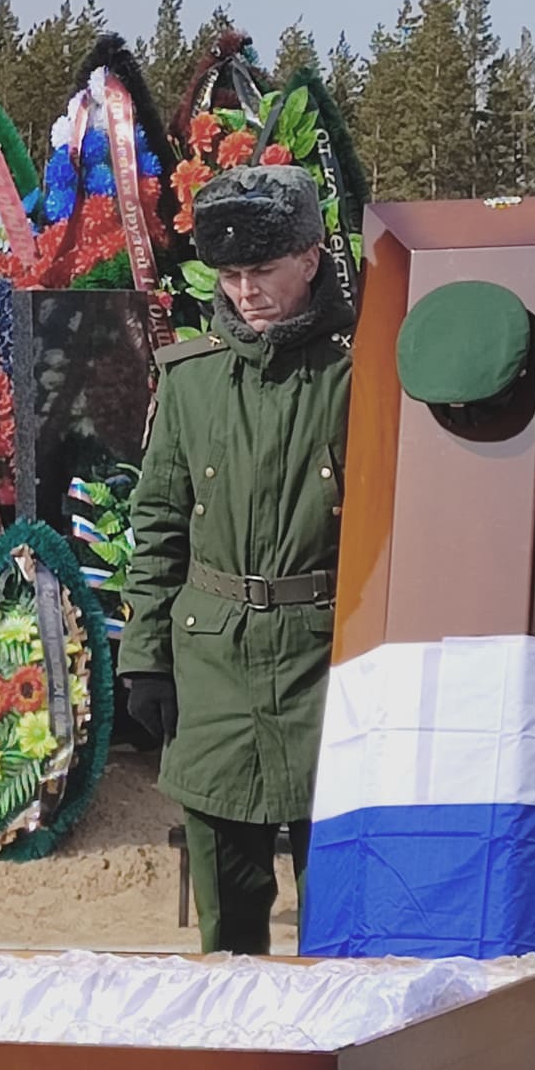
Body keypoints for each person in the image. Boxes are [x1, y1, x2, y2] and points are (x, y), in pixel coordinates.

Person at [122, 164, 352, 955]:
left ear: (312, 258)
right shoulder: (191, 380)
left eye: (263, 270)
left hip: (328, 663)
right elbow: (157, 524)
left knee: (342, 916)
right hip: (214, 667)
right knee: (229, 930)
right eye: (230, 274)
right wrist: (144, 657)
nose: (246, 291)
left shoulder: (358, 375)